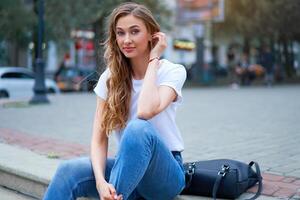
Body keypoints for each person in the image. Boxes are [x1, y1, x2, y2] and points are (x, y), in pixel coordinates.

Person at [43, 2, 186, 200]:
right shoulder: (110, 79)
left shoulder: (172, 71)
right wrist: (101, 182)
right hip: (128, 168)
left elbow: (145, 111)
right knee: (68, 170)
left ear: (152, 34)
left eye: (134, 31)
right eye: (120, 33)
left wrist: (154, 58)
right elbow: (99, 139)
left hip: (164, 175)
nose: (126, 40)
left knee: (137, 128)